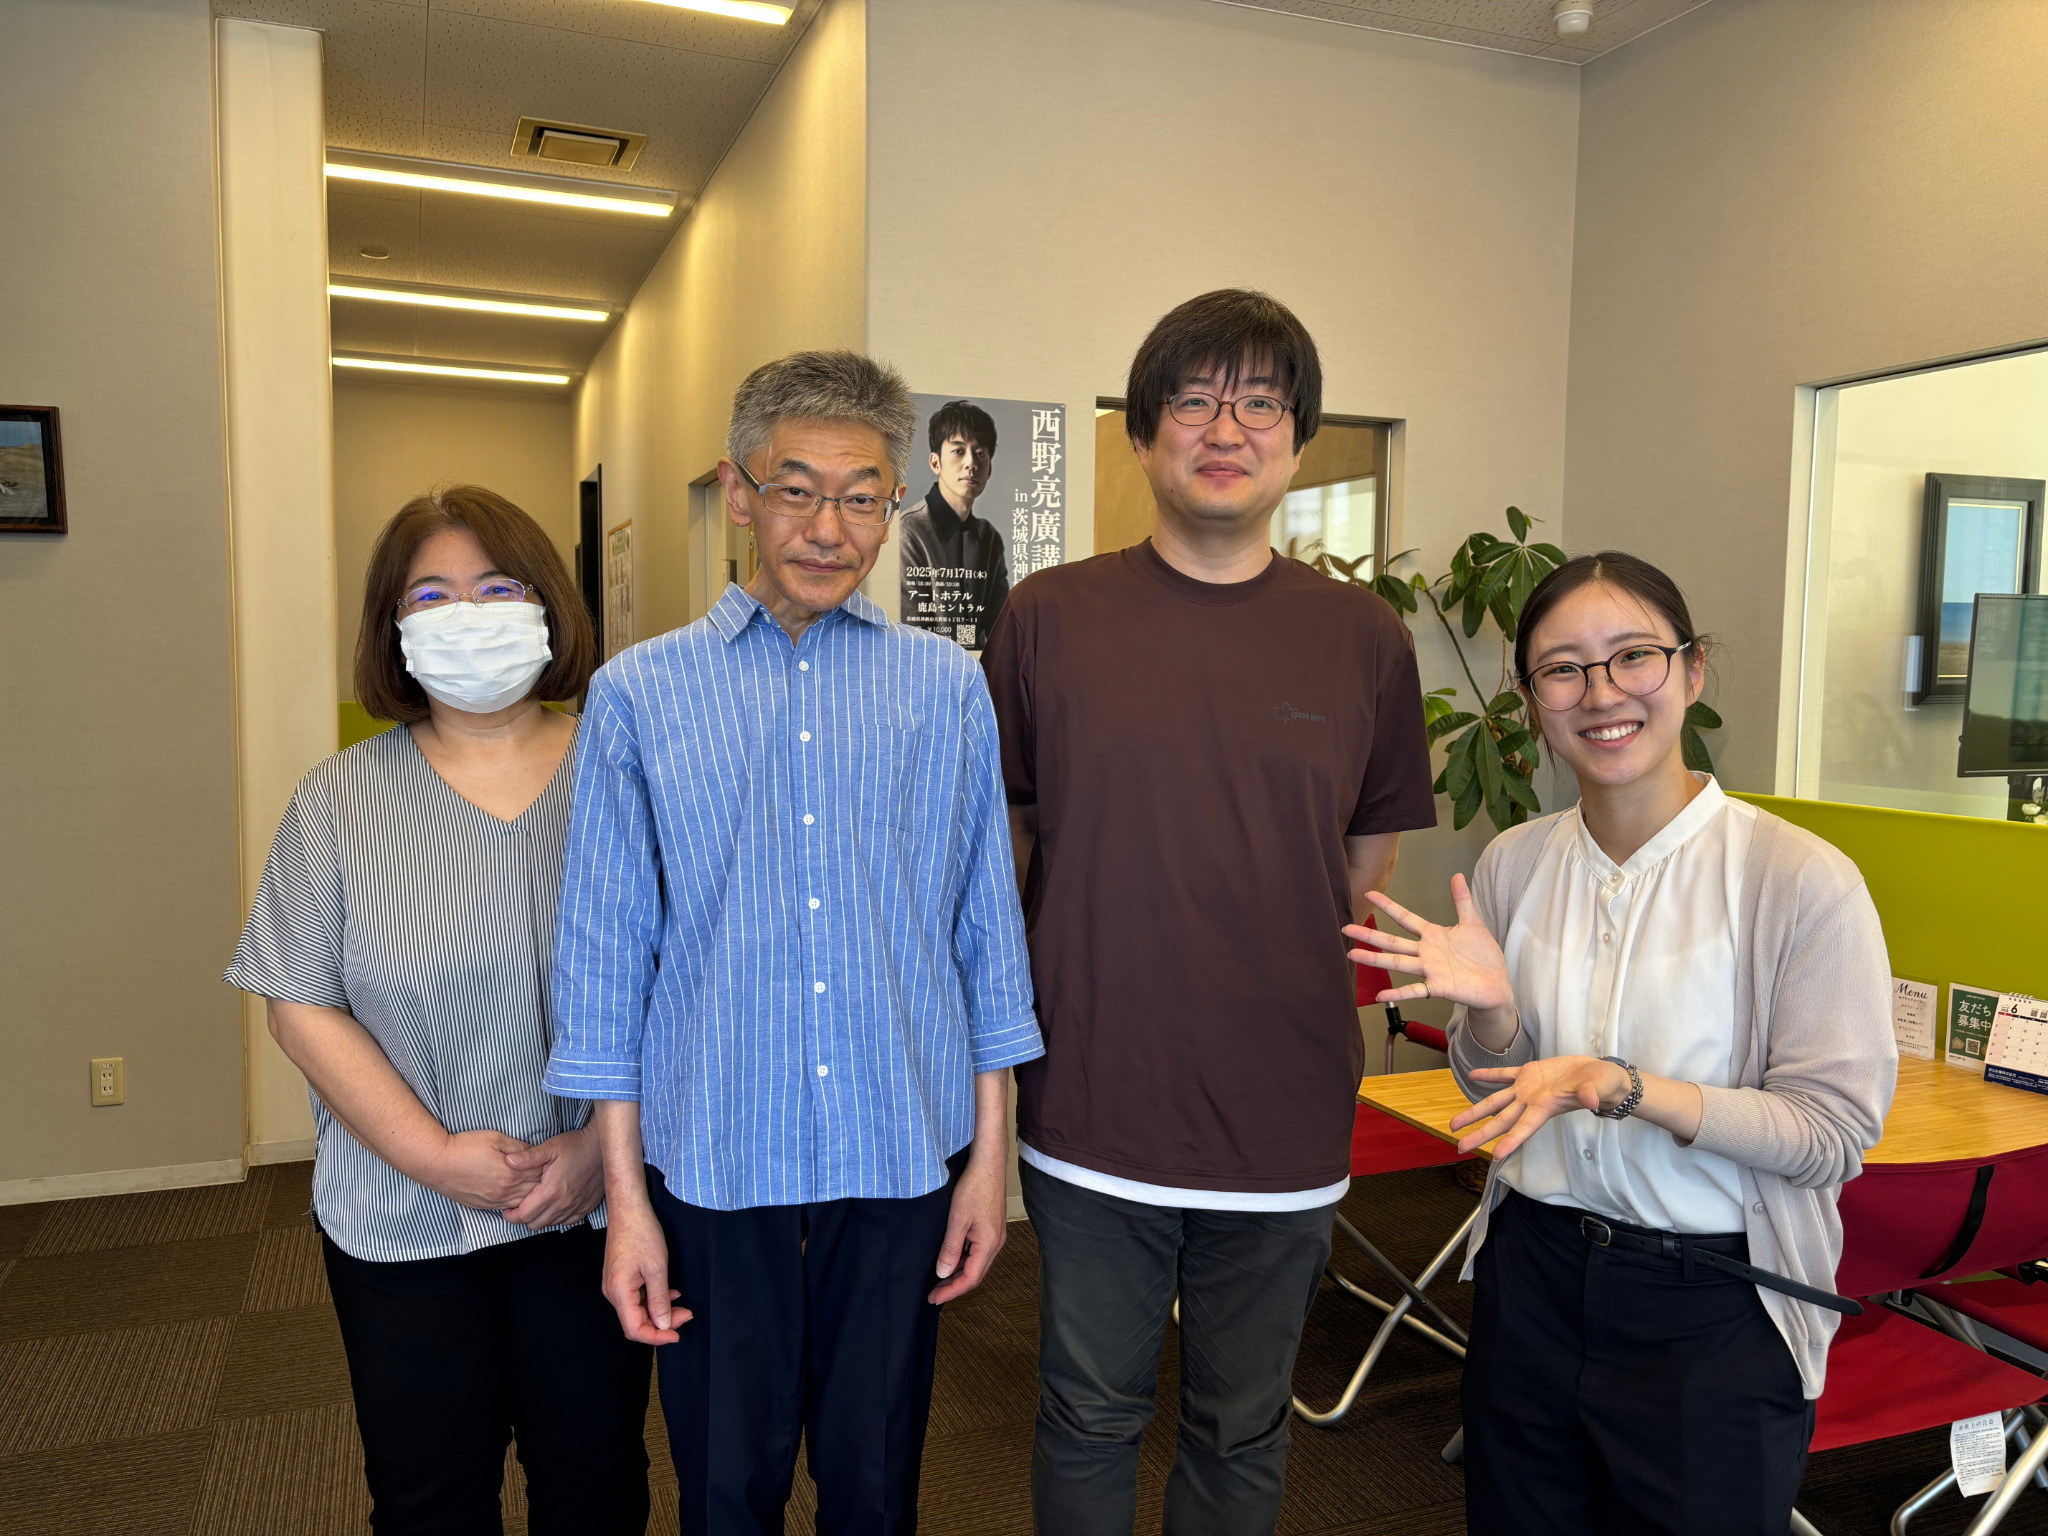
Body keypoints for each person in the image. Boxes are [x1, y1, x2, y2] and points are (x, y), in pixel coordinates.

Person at [542, 350, 1043, 1536]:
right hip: (714, 1153)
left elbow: (985, 935)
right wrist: (625, 1203)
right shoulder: (639, 695)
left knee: (877, 1481)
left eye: (861, 496)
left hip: (897, 1145)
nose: (829, 528)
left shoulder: (944, 689)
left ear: (894, 499)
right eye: (797, 489)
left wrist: (986, 1164)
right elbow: (606, 960)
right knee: (726, 1483)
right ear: (738, 491)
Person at [980, 289, 1438, 1536]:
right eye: (1190, 400)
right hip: (1094, 1091)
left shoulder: (1361, 639)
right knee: (1087, 1410)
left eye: (1259, 404)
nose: (1224, 428)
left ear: (1296, 439)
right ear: (1140, 433)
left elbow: (1359, 864)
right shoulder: (1046, 618)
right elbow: (1006, 844)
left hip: (1281, 1104)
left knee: (1240, 1424)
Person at [1349, 551, 1897, 1536]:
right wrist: (1494, 1020)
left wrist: (1620, 1086)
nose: (1601, 693)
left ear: (1691, 669)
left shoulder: (1797, 880)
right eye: (1562, 669)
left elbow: (1829, 1137)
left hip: (1715, 1300)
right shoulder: (1513, 864)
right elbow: (1494, 1087)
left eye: (1633, 656)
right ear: (1531, 701)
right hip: (1531, 1276)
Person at [223, 486, 652, 1534]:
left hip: (596, 1203)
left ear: (547, 605)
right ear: (393, 626)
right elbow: (299, 1005)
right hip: (401, 1213)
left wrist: (599, 1155)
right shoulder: (335, 802)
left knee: (595, 1485)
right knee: (428, 1499)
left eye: (497, 588)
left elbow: (688, 990)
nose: (467, 615)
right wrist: (436, 1157)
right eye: (432, 594)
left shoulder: (629, 773)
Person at [899, 398, 1010, 647]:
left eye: (980, 453)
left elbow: (1000, 628)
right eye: (958, 451)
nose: (971, 463)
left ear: (989, 469)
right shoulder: (910, 531)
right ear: (935, 463)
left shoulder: (989, 537)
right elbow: (911, 634)